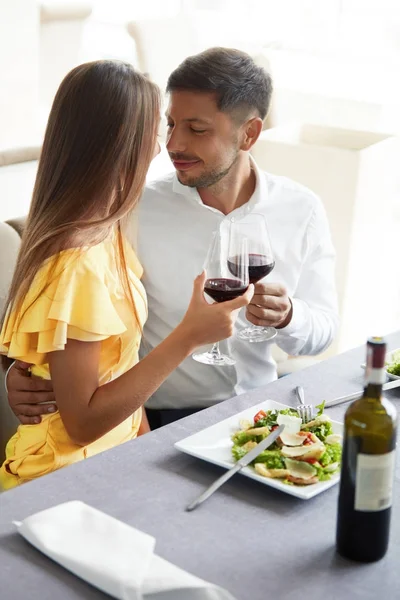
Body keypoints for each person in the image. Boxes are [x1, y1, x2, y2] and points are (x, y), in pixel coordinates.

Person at [6, 48, 338, 432]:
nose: (174, 144)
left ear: (249, 133)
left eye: (197, 129)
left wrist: (290, 315)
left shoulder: (302, 209)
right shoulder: (132, 209)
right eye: (170, 124)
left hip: (259, 409)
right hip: (160, 421)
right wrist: (23, 368)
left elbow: (324, 331)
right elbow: (70, 293)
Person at [0, 59, 253, 489]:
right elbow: (81, 424)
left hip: (111, 459)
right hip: (57, 482)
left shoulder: (110, 230)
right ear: (118, 143)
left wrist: (145, 453)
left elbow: (115, 369)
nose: (162, 147)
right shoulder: (77, 261)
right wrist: (188, 337)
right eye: (156, 130)